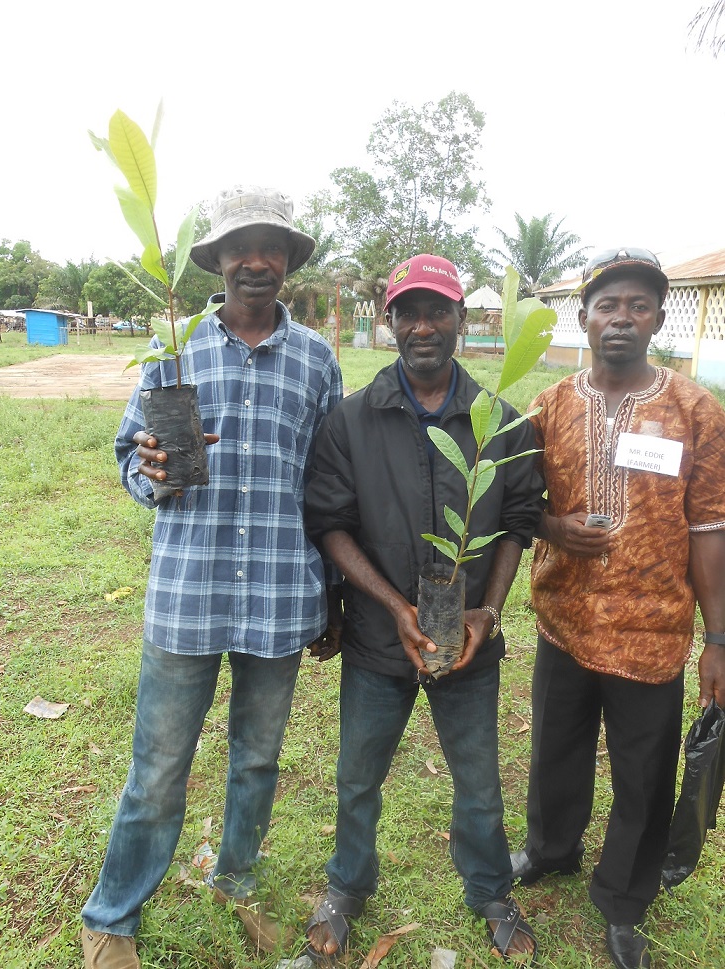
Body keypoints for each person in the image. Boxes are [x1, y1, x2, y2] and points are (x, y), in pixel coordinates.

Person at [80, 185, 344, 969]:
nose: (256, 260)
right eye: (240, 246)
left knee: (258, 759)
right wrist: (153, 471)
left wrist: (333, 595)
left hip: (280, 595)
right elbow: (130, 454)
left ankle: (234, 877)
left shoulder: (317, 360)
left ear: (288, 261)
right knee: (159, 768)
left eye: (272, 247)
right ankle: (111, 917)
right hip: (187, 595)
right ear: (218, 260)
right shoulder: (174, 344)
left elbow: (329, 483)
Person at [303, 254, 544, 964]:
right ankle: (347, 886)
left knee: (479, 782)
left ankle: (491, 891)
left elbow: (518, 523)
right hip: (380, 640)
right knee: (357, 778)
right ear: (390, 322)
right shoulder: (353, 419)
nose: (423, 326)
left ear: (461, 319)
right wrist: (393, 605)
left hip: (467, 643)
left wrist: (487, 612)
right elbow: (331, 523)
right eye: (408, 312)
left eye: (438, 310)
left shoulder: (500, 423)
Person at [512, 248, 725, 969]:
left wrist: (718, 637)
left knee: (644, 770)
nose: (622, 318)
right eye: (608, 305)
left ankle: (624, 898)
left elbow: (710, 527)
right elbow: (518, 501)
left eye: (638, 305)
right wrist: (553, 527)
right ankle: (551, 848)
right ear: (585, 318)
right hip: (564, 619)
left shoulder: (695, 410)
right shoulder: (549, 406)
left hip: (651, 629)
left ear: (658, 319)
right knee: (555, 749)